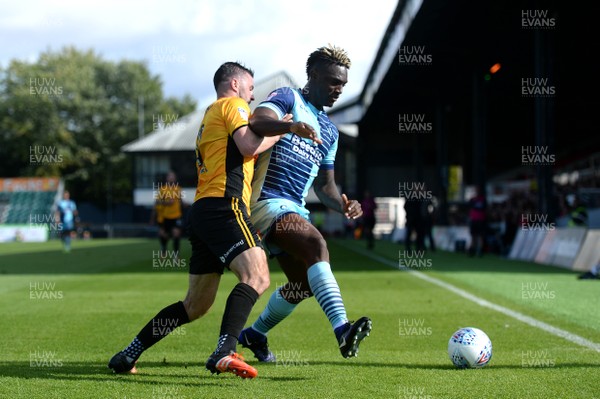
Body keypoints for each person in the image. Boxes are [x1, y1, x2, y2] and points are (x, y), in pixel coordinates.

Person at [108, 62, 318, 379]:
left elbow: (241, 149)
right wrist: (285, 130)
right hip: (226, 204)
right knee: (258, 276)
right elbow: (249, 145)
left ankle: (128, 354)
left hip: (203, 210)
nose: (251, 97)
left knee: (196, 304)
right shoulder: (232, 105)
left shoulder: (210, 115)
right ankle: (224, 352)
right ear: (234, 84)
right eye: (249, 89)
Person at [237, 45, 372, 363]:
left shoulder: (329, 131)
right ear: (312, 76)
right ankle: (342, 330)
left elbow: (325, 187)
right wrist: (290, 126)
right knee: (316, 244)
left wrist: (343, 205)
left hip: (294, 208)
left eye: (342, 84)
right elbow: (257, 121)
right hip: (266, 202)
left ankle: (254, 334)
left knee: (301, 286)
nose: (337, 90)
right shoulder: (288, 98)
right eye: (331, 81)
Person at [155, 171, 184, 257]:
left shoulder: (178, 189)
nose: (171, 178)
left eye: (173, 176)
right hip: (165, 216)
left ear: (175, 178)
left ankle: (176, 255)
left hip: (176, 216)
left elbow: (180, 201)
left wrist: (185, 204)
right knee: (164, 235)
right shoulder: (162, 189)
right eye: (170, 176)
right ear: (167, 178)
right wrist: (167, 202)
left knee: (176, 233)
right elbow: (157, 202)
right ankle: (163, 249)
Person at [467, 185, 487, 257]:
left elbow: (484, 209)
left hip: (481, 220)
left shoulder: (483, 199)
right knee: (473, 236)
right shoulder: (472, 200)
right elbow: (470, 208)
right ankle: (472, 250)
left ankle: (479, 251)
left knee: (480, 236)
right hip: (474, 220)